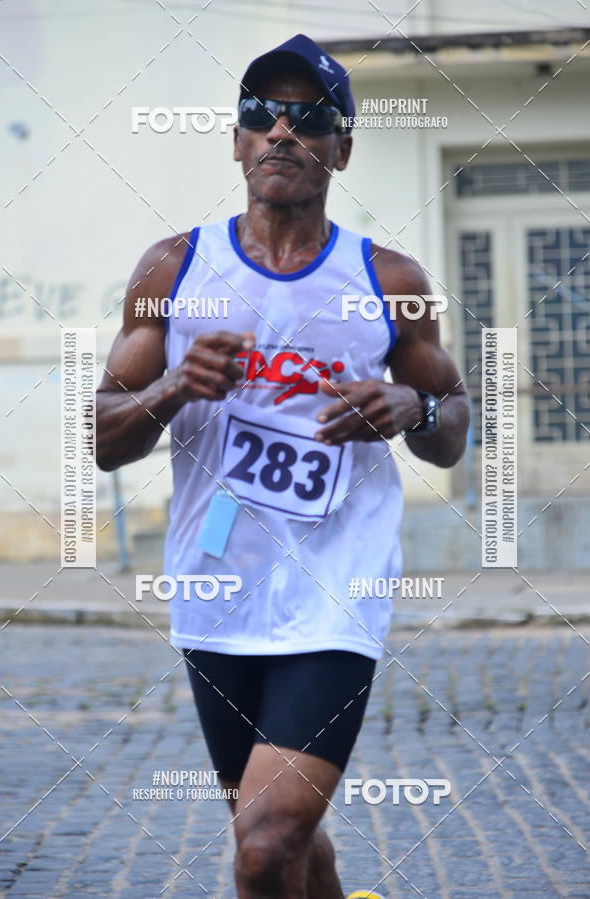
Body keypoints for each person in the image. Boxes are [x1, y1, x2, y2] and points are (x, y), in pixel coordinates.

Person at [96, 33, 470, 899]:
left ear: (343, 146)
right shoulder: (174, 269)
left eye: (310, 118)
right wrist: (174, 390)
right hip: (216, 589)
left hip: (336, 590)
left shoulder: (389, 278)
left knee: (265, 843)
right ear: (236, 139)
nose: (282, 132)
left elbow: (454, 424)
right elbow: (104, 439)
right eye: (262, 114)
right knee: (289, 839)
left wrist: (408, 410)